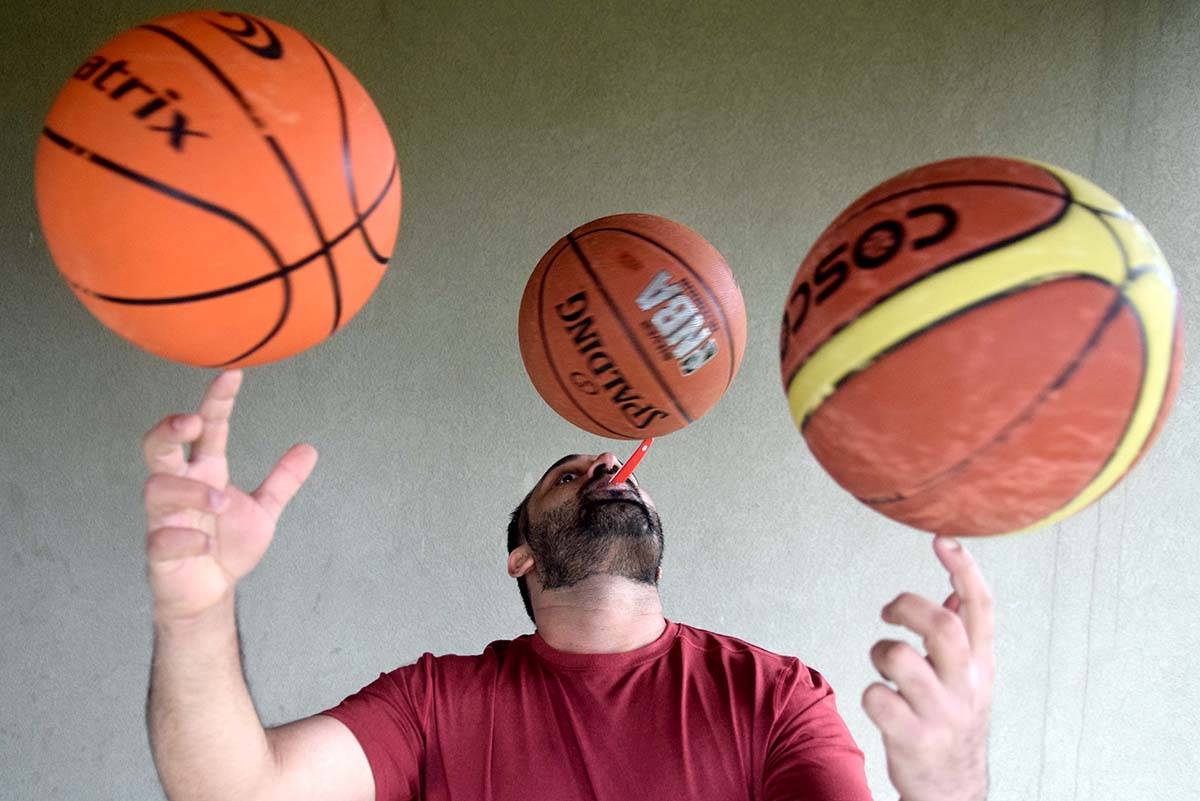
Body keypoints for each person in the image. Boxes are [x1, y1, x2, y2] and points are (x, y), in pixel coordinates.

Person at [144, 370, 994, 801]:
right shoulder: (434, 702)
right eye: (566, 474)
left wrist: (949, 782)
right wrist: (195, 607)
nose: (605, 463)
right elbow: (237, 790)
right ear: (520, 555)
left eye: (618, 469)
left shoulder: (773, 694)